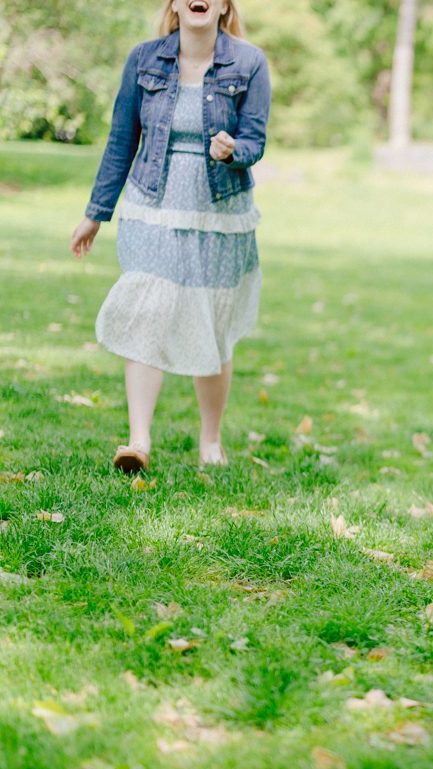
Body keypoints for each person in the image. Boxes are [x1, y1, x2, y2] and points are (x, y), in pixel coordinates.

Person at [70, 0, 271, 472]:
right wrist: (95, 213)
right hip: (152, 204)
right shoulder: (143, 59)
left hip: (218, 210)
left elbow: (255, 140)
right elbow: (122, 140)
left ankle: (210, 441)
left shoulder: (250, 63)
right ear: (175, 5)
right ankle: (138, 442)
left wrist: (232, 150)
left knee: (212, 325)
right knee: (147, 312)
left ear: (223, 6)